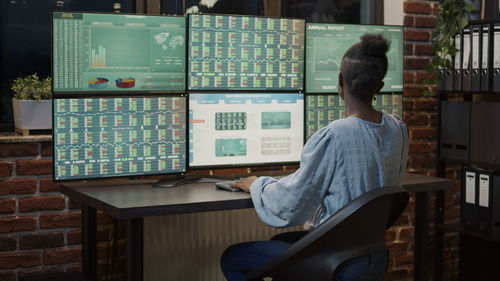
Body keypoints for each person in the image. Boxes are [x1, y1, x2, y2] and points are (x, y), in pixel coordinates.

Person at [220, 33, 409, 281]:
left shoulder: (335, 135)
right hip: (373, 258)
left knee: (233, 258)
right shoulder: (398, 128)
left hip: (336, 262)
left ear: (340, 82)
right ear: (379, 87)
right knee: (281, 242)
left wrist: (257, 184)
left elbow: (291, 205)